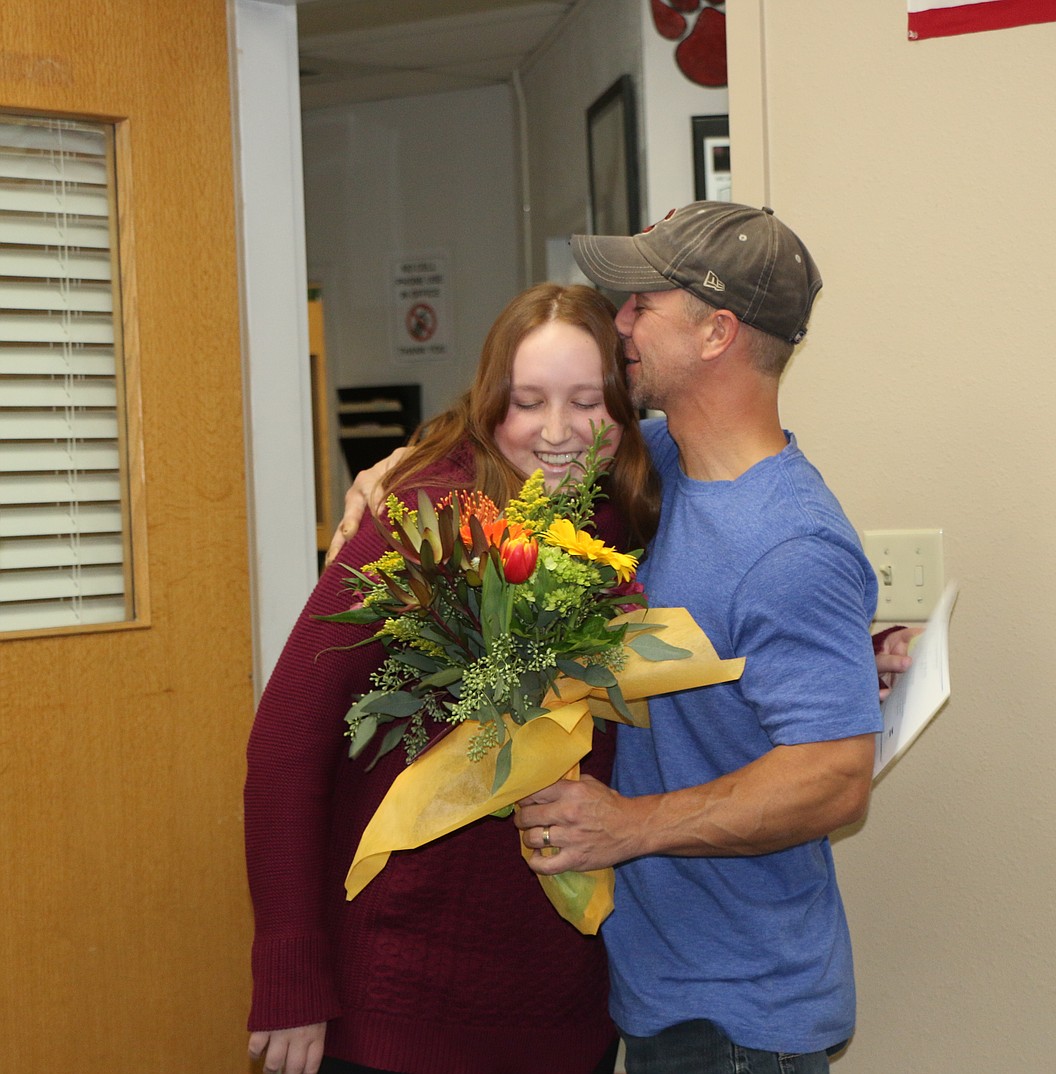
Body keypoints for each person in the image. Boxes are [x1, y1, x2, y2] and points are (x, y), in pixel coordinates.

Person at [506, 202, 886, 1074]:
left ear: (717, 331)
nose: (621, 320)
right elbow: (510, 446)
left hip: (741, 1024)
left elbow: (834, 780)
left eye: (644, 301)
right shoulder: (656, 462)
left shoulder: (790, 545)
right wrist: (387, 477)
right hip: (659, 995)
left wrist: (629, 826)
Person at [245, 283, 659, 1074]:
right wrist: (290, 975)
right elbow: (284, 751)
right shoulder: (422, 523)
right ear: (490, 404)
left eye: (586, 401)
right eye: (528, 401)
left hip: (564, 1009)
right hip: (401, 1008)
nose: (559, 431)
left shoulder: (625, 520)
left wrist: (862, 646)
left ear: (623, 407)